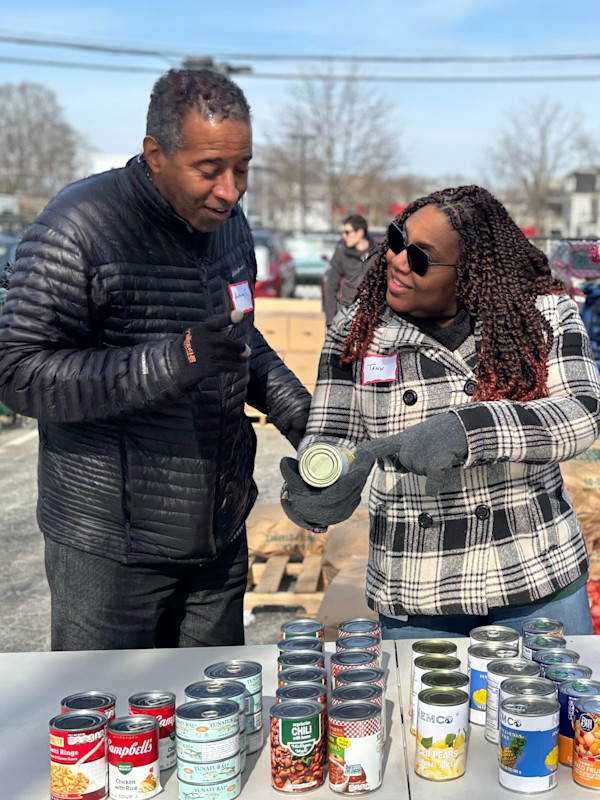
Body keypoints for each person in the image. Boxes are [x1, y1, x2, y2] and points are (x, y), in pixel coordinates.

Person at [0, 68, 311, 651]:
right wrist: (169, 361)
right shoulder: (79, 226)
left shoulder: (229, 225)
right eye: (210, 170)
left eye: (242, 168)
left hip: (217, 536)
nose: (231, 189)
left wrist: (304, 421)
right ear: (156, 154)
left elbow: (239, 340)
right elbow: (19, 372)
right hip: (111, 551)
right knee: (110, 729)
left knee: (214, 728)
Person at [281, 185, 600, 638]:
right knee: (425, 711)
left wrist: (470, 431)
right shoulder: (357, 331)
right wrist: (323, 483)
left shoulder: (541, 315)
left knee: (559, 707)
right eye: (396, 240)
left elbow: (582, 411)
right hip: (417, 583)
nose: (397, 260)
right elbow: (333, 430)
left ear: (468, 274)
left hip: (534, 570)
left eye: (421, 258)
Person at [324, 214, 378, 326]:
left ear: (360, 232)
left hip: (373, 318)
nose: (344, 236)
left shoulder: (378, 253)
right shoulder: (341, 254)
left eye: (347, 232)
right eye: (343, 232)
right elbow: (331, 288)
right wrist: (330, 322)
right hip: (346, 315)